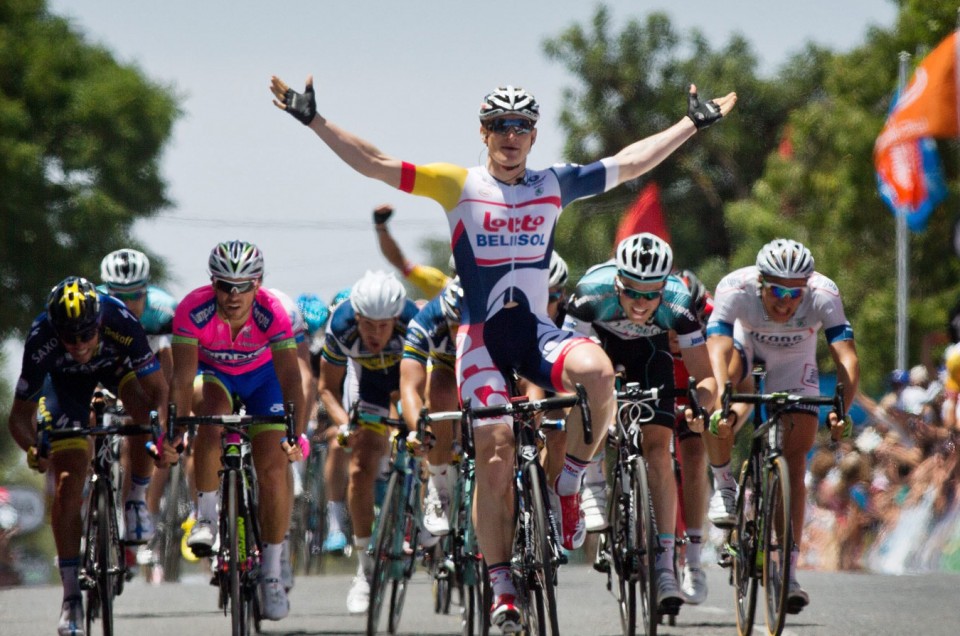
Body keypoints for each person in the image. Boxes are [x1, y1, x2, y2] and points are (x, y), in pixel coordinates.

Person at [270, 74, 735, 631]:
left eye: (520, 126)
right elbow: (375, 162)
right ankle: (501, 585)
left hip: (536, 333)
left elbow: (631, 162)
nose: (509, 135)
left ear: (533, 135)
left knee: (598, 373)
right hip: (481, 340)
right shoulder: (457, 185)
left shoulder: (555, 183)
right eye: (498, 126)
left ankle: (570, 483)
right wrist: (314, 120)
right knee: (495, 448)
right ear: (483, 133)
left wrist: (690, 123)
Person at [7, 276, 171, 635]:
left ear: (99, 322)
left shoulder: (120, 319)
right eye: (70, 337)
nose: (80, 344)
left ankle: (136, 499)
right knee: (67, 482)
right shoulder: (41, 336)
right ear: (56, 330)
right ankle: (71, 599)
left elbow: (159, 390)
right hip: (64, 387)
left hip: (116, 371)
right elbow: (18, 418)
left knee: (144, 417)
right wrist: (34, 450)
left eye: (86, 334)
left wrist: (161, 436)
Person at [562, 233, 716, 613]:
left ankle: (665, 564)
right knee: (591, 397)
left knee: (658, 450)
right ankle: (592, 482)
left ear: (665, 287)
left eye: (651, 295)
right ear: (617, 281)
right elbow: (564, 364)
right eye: (631, 292)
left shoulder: (678, 302)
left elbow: (706, 378)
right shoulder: (591, 292)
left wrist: (700, 408)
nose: (641, 303)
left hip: (650, 354)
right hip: (598, 347)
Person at [705, 238, 860, 612]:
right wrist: (724, 393)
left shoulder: (823, 293)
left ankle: (788, 571)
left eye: (794, 293)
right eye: (776, 290)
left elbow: (847, 357)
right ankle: (725, 484)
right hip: (746, 347)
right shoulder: (736, 287)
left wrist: (842, 408)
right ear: (760, 282)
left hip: (794, 360)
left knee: (795, 454)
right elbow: (718, 344)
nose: (785, 301)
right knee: (721, 389)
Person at [171, 240, 306, 621]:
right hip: (216, 377)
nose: (233, 295)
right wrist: (175, 429)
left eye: (243, 286)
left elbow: (291, 378)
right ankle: (206, 518)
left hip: (265, 382)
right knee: (210, 420)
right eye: (225, 285)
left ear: (257, 283)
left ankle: (272, 572)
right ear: (212, 283)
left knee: (273, 468)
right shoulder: (192, 310)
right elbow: (181, 380)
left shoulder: (272, 312)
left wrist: (296, 434)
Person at [317, 270, 418, 614]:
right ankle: (365, 568)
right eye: (368, 325)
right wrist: (346, 425)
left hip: (408, 380)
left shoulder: (413, 322)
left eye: (383, 326)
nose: (375, 334)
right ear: (357, 317)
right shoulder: (341, 326)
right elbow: (327, 388)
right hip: (368, 384)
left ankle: (430, 498)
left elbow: (427, 381)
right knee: (360, 467)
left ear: (396, 319)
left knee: (426, 434)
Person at [99, 248, 180, 573]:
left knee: (143, 420)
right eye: (118, 296)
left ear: (147, 289)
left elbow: (169, 369)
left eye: (135, 295)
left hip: (144, 368)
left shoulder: (163, 311)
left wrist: (164, 415)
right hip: (103, 367)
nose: (127, 303)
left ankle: (137, 498)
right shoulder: (93, 306)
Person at [399, 277, 463, 537]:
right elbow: (409, 387)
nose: (460, 333)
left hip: (487, 363)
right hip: (446, 366)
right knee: (438, 392)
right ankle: (438, 484)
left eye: (466, 325)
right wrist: (420, 430)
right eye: (454, 326)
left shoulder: (495, 315)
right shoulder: (427, 320)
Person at [372, 203, 451, 298]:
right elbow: (399, 262)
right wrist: (380, 225)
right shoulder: (441, 284)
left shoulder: (440, 284)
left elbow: (400, 263)